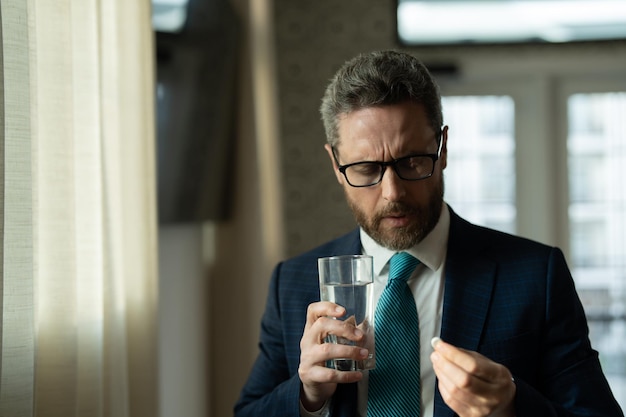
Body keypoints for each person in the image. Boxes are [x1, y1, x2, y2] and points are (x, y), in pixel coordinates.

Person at [234, 50, 624, 417]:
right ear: (336, 165)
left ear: (444, 148)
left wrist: (512, 405)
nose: (393, 193)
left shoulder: (536, 276)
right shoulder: (293, 283)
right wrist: (307, 396)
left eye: (413, 161)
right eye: (367, 169)